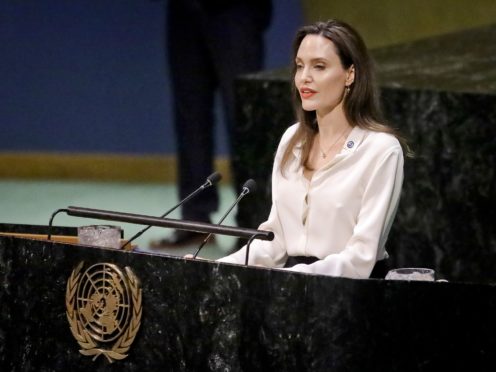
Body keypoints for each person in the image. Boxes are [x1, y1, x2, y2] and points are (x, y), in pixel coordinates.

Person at [216, 19, 407, 279]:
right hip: (294, 287)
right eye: (299, 66)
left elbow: (361, 258)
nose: (304, 77)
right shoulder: (291, 139)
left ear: (350, 74)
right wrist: (214, 268)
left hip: (354, 295)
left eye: (319, 66)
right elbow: (274, 242)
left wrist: (294, 277)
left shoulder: (381, 149)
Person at [151, 0, 272, 248]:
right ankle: (195, 221)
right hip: (184, 11)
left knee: (244, 116)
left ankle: (252, 225)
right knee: (189, 119)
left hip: (235, 12)